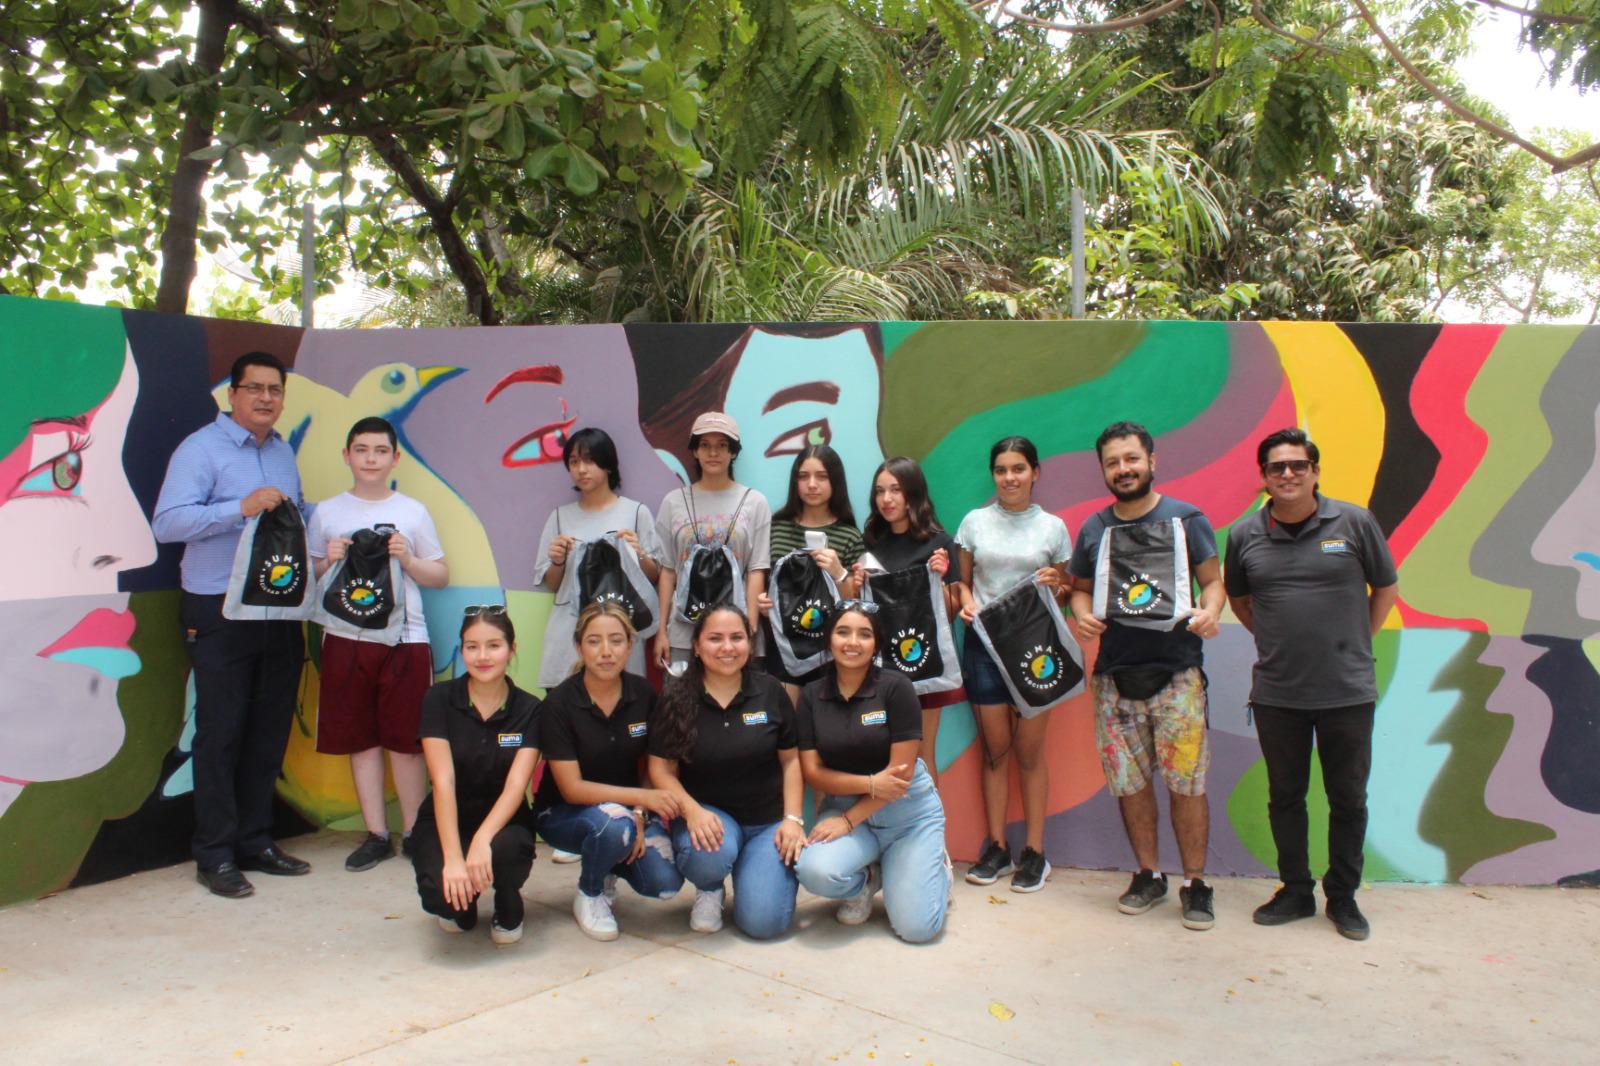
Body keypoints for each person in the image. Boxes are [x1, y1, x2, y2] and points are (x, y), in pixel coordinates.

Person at [1224, 427, 1399, 941]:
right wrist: (1275, 639)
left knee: (1349, 799)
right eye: (1276, 467)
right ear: (1264, 478)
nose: (1288, 474)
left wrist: (1358, 640)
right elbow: (1239, 599)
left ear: (1315, 471)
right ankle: (1296, 891)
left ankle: (1342, 898)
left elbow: (1385, 586)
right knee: (1286, 797)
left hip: (1348, 691)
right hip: (1279, 693)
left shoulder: (1354, 522)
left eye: (1298, 465)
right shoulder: (1243, 536)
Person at [152, 351, 312, 899]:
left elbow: (296, 515)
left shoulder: (284, 450)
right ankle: (215, 854)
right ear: (232, 395)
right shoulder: (201, 449)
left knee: (269, 732)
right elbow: (168, 522)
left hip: (279, 609)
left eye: (275, 389)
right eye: (255, 389)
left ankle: (256, 841)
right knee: (219, 734)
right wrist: (237, 507)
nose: (266, 398)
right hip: (218, 608)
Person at [1067, 421, 1224, 931]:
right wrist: (1081, 612)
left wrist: (1211, 612)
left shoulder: (1187, 519)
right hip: (1114, 678)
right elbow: (1079, 589)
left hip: (1178, 674)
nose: (1123, 469)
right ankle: (1148, 874)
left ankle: (1196, 884)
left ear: (1152, 462)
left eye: (1131, 459)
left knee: (1187, 785)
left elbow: (1213, 582)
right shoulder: (1094, 529)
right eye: (1113, 462)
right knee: (1130, 786)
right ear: (1104, 470)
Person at [307, 417, 449, 872]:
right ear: (346, 455)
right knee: (361, 739)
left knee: (407, 740)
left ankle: (413, 832)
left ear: (394, 457)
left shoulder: (413, 511)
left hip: (406, 637)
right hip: (346, 636)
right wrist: (325, 562)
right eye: (362, 450)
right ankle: (375, 834)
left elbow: (440, 575)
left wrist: (407, 558)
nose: (371, 459)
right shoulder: (327, 512)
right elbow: (305, 581)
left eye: (380, 450)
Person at [955, 436, 1072, 893]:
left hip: (1036, 649)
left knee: (1030, 753)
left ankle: (1036, 853)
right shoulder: (974, 523)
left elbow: (1065, 589)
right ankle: (998, 847)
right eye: (1001, 469)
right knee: (995, 752)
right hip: (984, 646)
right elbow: (962, 583)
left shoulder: (1054, 528)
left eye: (1018, 468)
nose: (1010, 477)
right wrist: (966, 605)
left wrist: (1056, 583)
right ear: (994, 474)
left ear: (1035, 472)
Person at [793, 602, 950, 942]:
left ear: (876, 644)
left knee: (917, 930)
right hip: (846, 806)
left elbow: (899, 778)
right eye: (843, 632)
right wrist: (865, 788)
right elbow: (813, 773)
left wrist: (851, 819)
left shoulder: (897, 688)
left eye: (864, 634)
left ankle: (936, 871)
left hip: (908, 817)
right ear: (829, 639)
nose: (853, 642)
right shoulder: (810, 696)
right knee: (814, 871)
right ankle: (866, 877)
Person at [647, 604, 805, 939]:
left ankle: (758, 873)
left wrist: (793, 819)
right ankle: (710, 887)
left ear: (750, 643)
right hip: (708, 817)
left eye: (737, 638)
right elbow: (660, 770)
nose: (727, 647)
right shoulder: (676, 695)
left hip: (766, 823)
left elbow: (791, 761)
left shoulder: (771, 692)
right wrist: (691, 812)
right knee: (710, 853)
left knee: (765, 925)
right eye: (715, 638)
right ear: (697, 646)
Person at [533, 603, 685, 941]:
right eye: (594, 641)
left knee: (666, 884)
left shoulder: (643, 693)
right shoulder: (559, 703)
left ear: (630, 646)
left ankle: (607, 864)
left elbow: (652, 765)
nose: (606, 652)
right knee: (613, 826)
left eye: (616, 641)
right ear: (578, 646)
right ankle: (589, 892)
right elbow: (572, 789)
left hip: (629, 813)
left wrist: (642, 814)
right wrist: (641, 801)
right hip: (563, 814)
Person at [411, 606, 540, 944]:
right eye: (472, 646)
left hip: (504, 821)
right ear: (462, 649)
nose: (482, 656)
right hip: (446, 817)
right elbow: (443, 781)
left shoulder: (530, 709)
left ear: (512, 649)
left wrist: (482, 841)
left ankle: (508, 897)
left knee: (507, 852)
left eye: (494, 646)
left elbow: (516, 786)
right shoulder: (438, 699)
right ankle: (461, 901)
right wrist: (454, 859)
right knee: (443, 897)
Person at [857, 456, 966, 787]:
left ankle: (932, 837)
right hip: (882, 667)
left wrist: (941, 579)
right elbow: (863, 610)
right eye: (879, 491)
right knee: (883, 755)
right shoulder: (872, 542)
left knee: (920, 754)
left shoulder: (940, 544)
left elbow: (950, 611)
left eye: (896, 490)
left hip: (925, 665)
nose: (887, 499)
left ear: (913, 494)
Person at [533, 427, 664, 687]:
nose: (581, 469)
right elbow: (552, 584)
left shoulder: (636, 512)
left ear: (608, 465)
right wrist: (558, 560)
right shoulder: (559, 517)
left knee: (623, 710)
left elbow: (655, 575)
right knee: (567, 716)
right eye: (574, 462)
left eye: (590, 460)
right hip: (568, 637)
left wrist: (638, 554)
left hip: (618, 636)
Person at [653, 412, 773, 673]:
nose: (713, 453)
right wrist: (662, 631)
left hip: (735, 634)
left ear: (733, 452)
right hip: (684, 632)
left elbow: (756, 570)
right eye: (705, 445)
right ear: (694, 451)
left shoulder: (755, 502)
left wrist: (749, 632)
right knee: (681, 708)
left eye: (722, 446)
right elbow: (667, 570)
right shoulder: (673, 502)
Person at [758, 444, 865, 699]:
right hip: (783, 648)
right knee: (788, 730)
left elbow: (856, 604)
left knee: (825, 730)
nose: (812, 484)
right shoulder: (776, 527)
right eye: (804, 477)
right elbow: (760, 579)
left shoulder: (850, 535)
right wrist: (761, 602)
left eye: (822, 476)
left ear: (835, 482)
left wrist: (838, 572)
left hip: (830, 652)